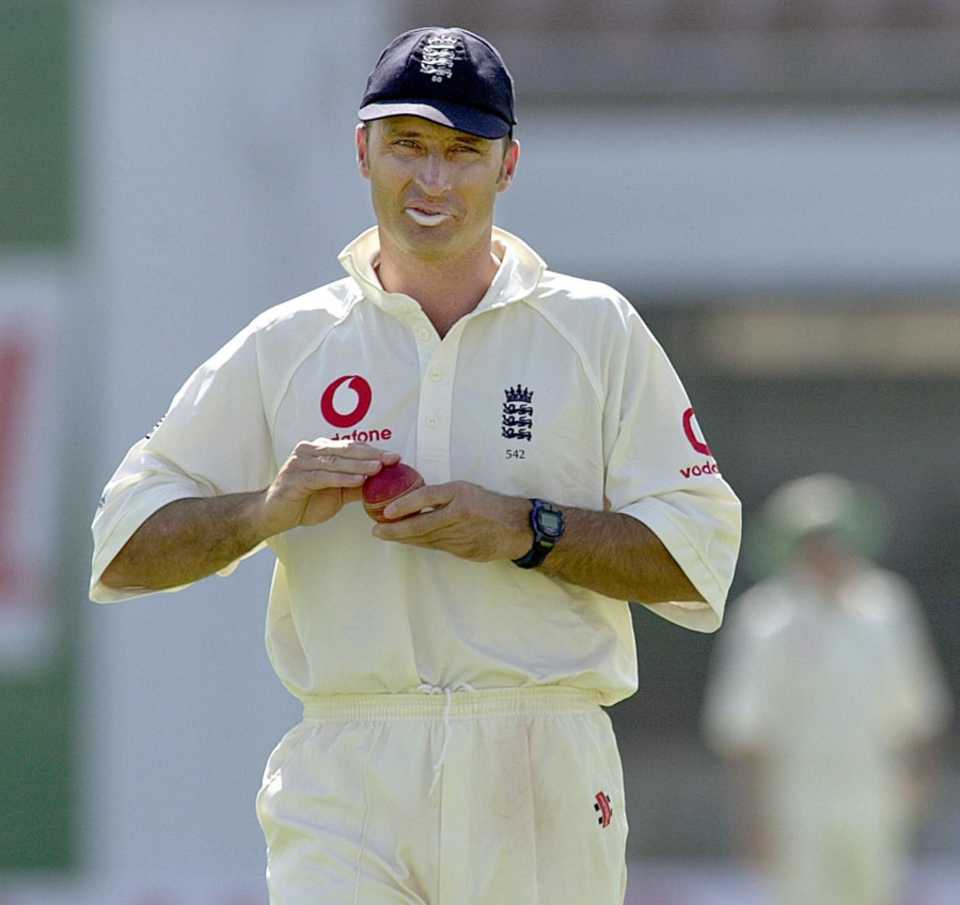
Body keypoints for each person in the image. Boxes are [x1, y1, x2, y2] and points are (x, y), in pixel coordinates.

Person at [90, 26, 741, 905]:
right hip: (349, 763)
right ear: (363, 151)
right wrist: (264, 512)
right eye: (408, 146)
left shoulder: (595, 331)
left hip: (538, 758)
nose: (432, 180)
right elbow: (124, 543)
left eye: (462, 152)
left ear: (508, 166)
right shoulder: (291, 342)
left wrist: (527, 529)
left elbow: (696, 554)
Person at [703, 474, 950, 905]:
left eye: (834, 537)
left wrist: (919, 781)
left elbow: (917, 706)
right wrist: (752, 818)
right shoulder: (764, 619)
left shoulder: (886, 608)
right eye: (813, 539)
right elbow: (744, 730)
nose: (826, 550)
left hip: (874, 788)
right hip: (795, 798)